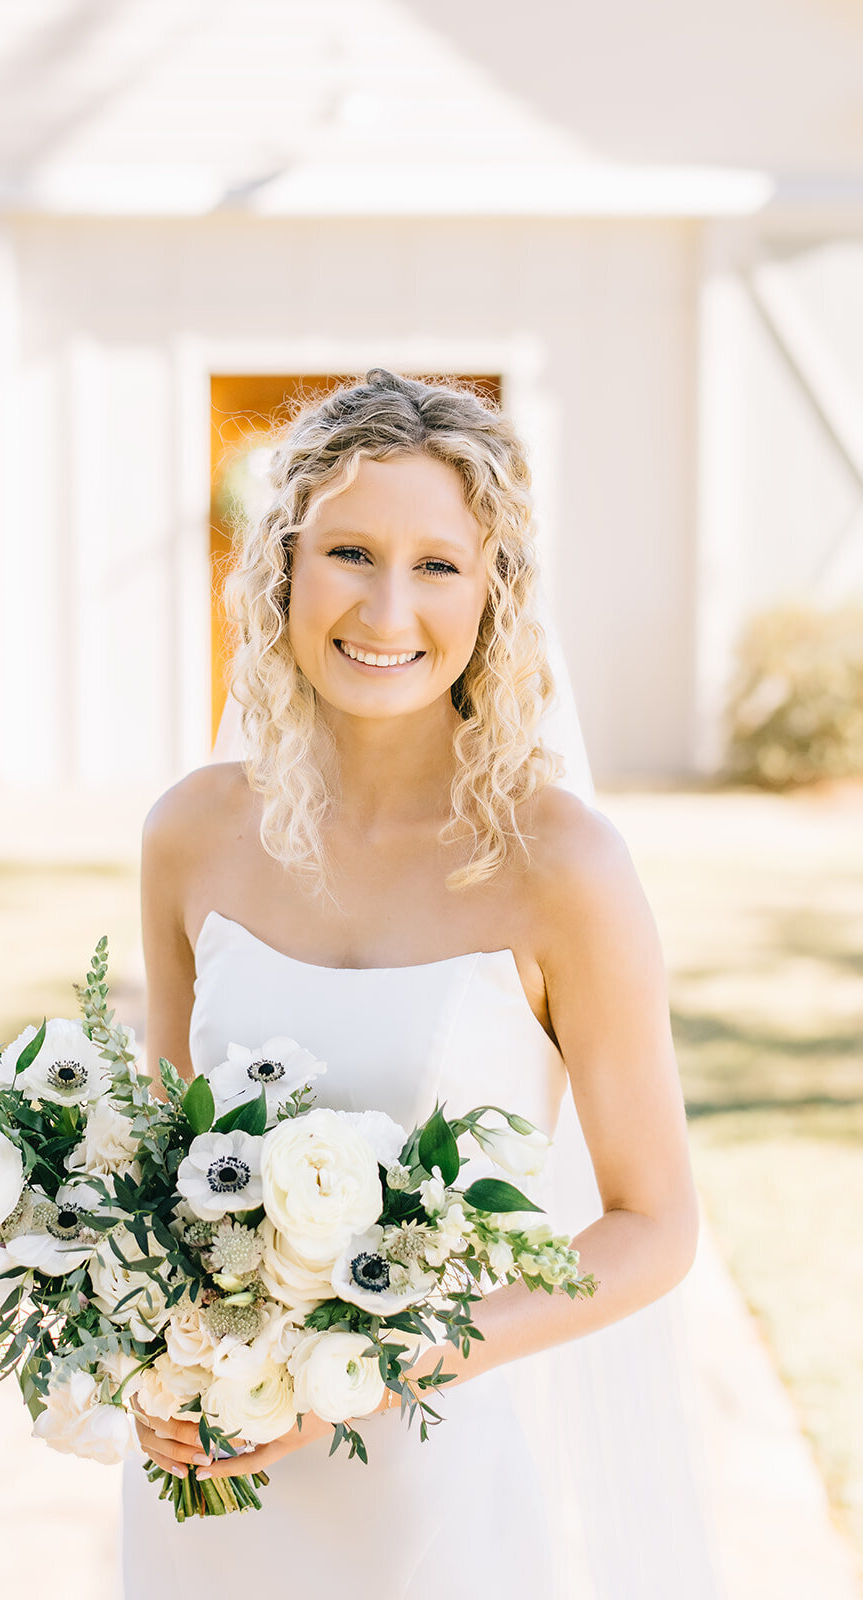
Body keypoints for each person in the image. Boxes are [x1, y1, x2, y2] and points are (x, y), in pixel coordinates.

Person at [123, 369, 723, 1598]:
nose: (386, 606)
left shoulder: (560, 865)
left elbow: (652, 1225)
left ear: (494, 591)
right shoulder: (189, 832)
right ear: (283, 565)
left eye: (437, 564)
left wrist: (381, 1363)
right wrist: (143, 1358)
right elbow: (162, 1169)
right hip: (206, 1477)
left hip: (422, 1489)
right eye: (348, 550)